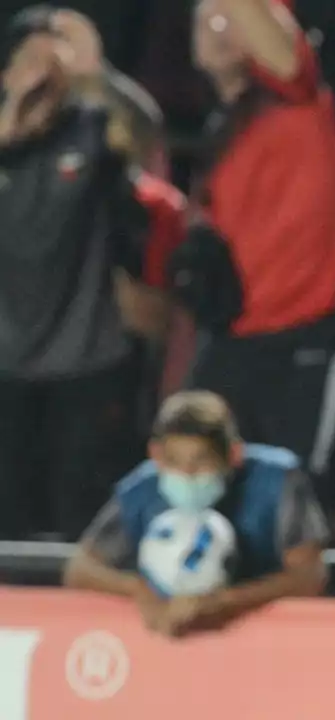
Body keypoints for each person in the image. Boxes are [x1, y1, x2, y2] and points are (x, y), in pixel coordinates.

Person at [184, 0, 335, 525]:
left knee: (297, 506)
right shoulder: (220, 127)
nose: (219, 27)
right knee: (199, 482)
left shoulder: (297, 95)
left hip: (308, 335)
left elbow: (280, 52)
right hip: (233, 338)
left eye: (230, 17)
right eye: (206, 20)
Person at [0, 6, 175, 540]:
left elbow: (146, 136)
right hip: (6, 369)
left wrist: (94, 74)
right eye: (30, 61)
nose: (43, 74)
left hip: (87, 366)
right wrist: (11, 119)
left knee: (83, 523)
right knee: (10, 526)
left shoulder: (95, 128)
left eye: (55, 62)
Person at [63, 391, 329, 637]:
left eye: (201, 461)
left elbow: (310, 575)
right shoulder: (138, 492)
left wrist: (225, 603)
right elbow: (80, 569)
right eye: (174, 461)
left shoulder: (278, 482)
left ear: (234, 454)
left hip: (273, 640)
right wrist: (140, 591)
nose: (187, 474)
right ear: (155, 455)